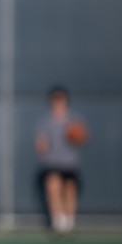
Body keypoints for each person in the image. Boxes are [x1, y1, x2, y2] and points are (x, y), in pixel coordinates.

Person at [35, 85, 88, 233]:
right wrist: (41, 147)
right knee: (53, 186)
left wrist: (77, 137)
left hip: (69, 162)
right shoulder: (46, 121)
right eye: (55, 99)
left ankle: (69, 221)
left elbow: (82, 137)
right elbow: (41, 141)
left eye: (61, 99)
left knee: (70, 190)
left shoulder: (73, 119)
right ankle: (58, 221)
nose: (58, 102)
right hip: (52, 161)